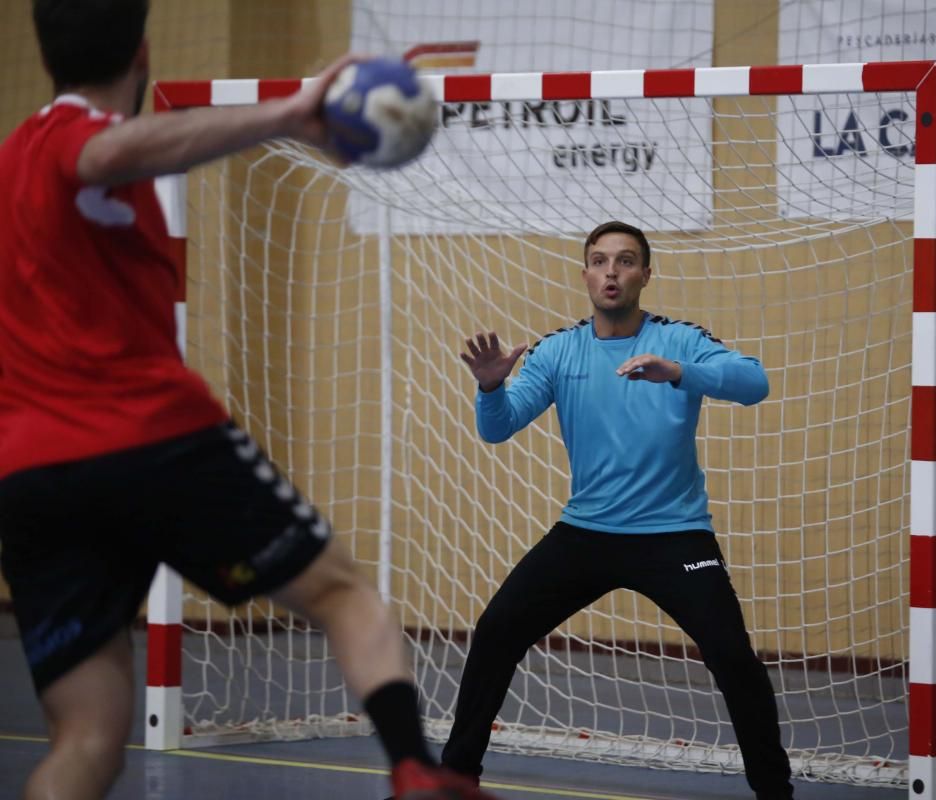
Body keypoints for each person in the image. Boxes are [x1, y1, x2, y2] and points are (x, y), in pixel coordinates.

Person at [0, 2, 496, 799]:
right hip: (150, 437)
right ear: (144, 51)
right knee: (343, 593)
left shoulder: (9, 164)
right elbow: (102, 151)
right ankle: (415, 772)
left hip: (31, 475)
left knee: (89, 737)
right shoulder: (71, 144)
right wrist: (292, 111)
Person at [445, 220, 795, 799]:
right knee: (497, 629)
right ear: (585, 274)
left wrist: (681, 373)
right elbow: (499, 429)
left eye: (626, 261)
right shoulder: (559, 351)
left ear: (645, 275)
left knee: (733, 657)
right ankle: (454, 782)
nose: (612, 271)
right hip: (586, 534)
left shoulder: (678, 340)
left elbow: (754, 383)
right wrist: (489, 389)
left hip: (674, 535)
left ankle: (775, 793)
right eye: (601, 261)